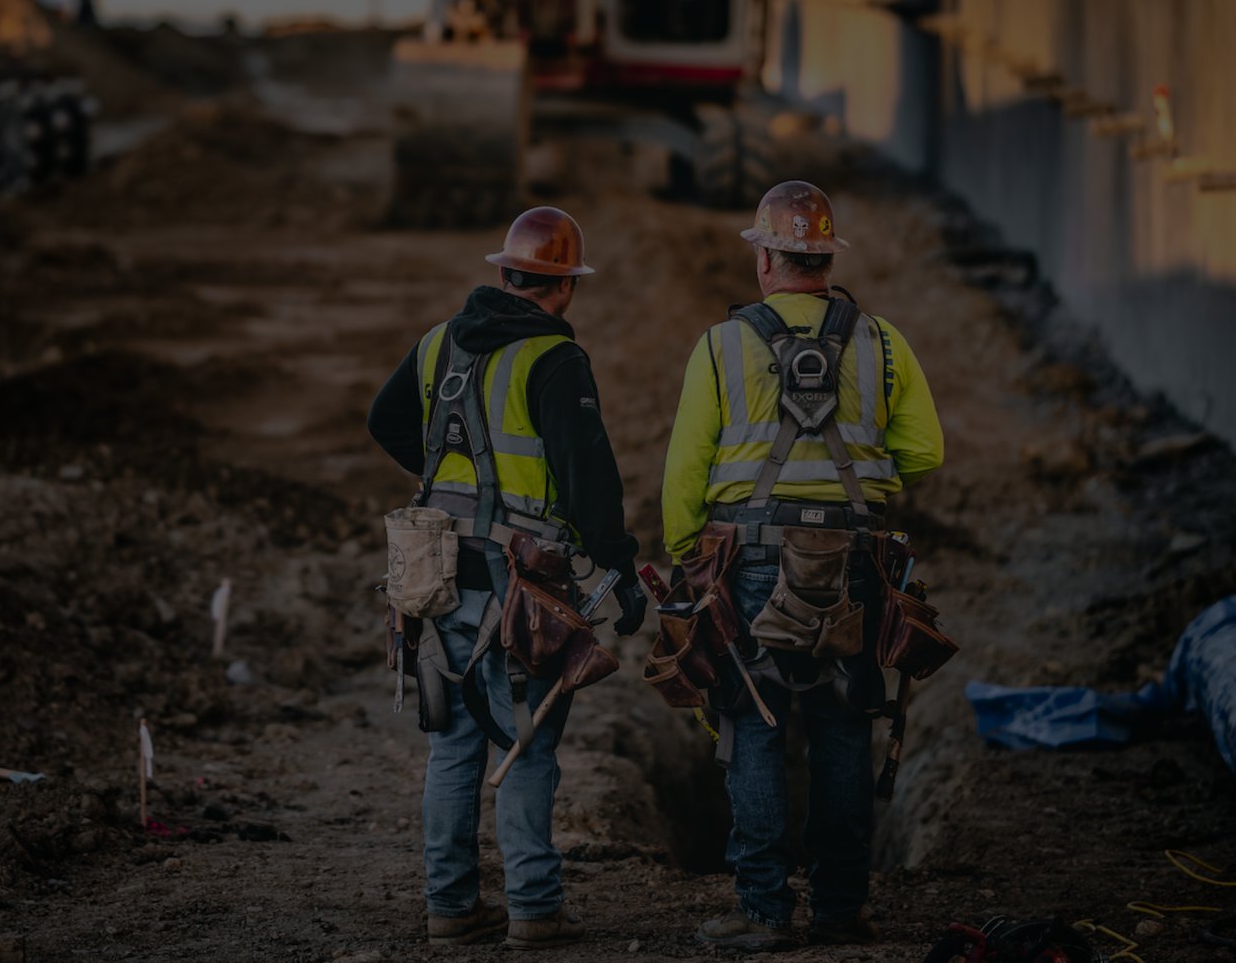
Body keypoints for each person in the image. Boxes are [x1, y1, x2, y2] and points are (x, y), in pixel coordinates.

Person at [661, 181, 945, 951]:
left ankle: (761, 912)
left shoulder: (721, 345)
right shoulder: (880, 341)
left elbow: (686, 471)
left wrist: (687, 557)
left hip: (750, 562)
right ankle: (841, 906)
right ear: (824, 259)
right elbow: (925, 451)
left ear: (765, 261)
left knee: (753, 728)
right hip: (851, 559)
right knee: (844, 727)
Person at [368, 206, 646, 950]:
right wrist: (619, 567)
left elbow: (383, 419)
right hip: (524, 588)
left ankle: (451, 907)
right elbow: (591, 483)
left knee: (454, 744)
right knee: (523, 742)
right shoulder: (554, 360)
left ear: (503, 273)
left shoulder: (440, 342)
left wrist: (445, 479)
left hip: (437, 576)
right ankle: (532, 908)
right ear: (566, 288)